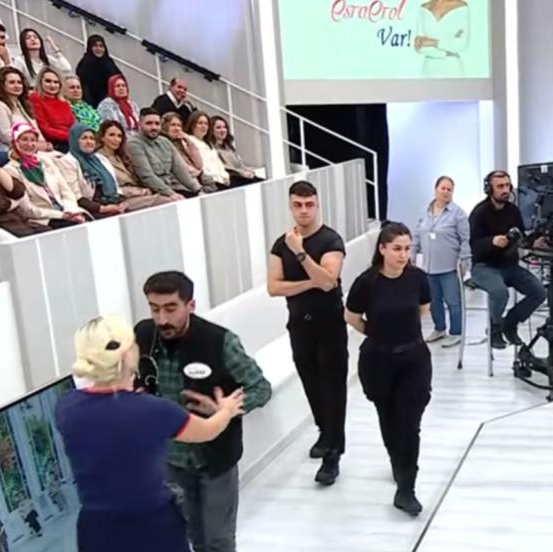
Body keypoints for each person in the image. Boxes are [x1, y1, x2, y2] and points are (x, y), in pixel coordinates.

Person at [55, 314, 246, 552]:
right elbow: (208, 431)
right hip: (153, 527)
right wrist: (226, 410)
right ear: (127, 355)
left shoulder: (66, 407)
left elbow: (107, 432)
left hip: (97, 530)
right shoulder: (154, 410)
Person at [134, 271, 273, 552]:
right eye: (154, 309)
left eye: (170, 308)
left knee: (219, 540)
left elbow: (261, 388)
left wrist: (226, 410)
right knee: (191, 535)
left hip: (215, 457)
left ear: (191, 305)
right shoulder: (143, 335)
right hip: (170, 458)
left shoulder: (220, 342)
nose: (162, 319)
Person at [344, 222, 432, 515]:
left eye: (407, 249)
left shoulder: (417, 278)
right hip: (378, 360)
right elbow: (352, 316)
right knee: (388, 417)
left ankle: (406, 488)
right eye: (396, 249)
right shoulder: (366, 282)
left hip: (413, 358)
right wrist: (377, 332)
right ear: (382, 249)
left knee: (409, 423)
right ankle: (397, 460)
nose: (403, 255)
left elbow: (423, 310)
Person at [267, 180, 348, 485]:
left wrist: (301, 254)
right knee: (312, 385)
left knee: (333, 389)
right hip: (299, 325)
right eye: (298, 205)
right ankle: (325, 433)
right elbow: (274, 287)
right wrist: (311, 281)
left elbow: (329, 281)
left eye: (309, 204)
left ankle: (333, 453)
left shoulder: (330, 240)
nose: (303, 211)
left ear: (317, 205)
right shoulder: (281, 244)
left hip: (330, 326)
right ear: (290, 206)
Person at [468, 170, 546, 349]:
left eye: (507, 186)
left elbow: (521, 238)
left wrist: (533, 243)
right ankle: (494, 329)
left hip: (510, 266)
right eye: (500, 186)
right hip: (484, 267)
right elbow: (473, 245)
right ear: (489, 189)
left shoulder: (513, 211)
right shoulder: (479, 213)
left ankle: (509, 323)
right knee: (499, 292)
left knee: (539, 292)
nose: (505, 190)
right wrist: (492, 242)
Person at [58, 123, 172, 215]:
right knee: (162, 201)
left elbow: (115, 188)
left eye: (91, 138)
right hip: (93, 207)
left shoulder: (100, 159)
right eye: (84, 138)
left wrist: (122, 203)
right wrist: (103, 208)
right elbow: (75, 197)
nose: (89, 142)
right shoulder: (68, 161)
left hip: (114, 201)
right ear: (74, 140)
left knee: (164, 201)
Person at [412, 175, 470, 347]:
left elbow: (465, 240)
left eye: (449, 189)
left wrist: (465, 262)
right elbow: (417, 235)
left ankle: (456, 331)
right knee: (433, 301)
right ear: (436, 189)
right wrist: (411, 256)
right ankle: (439, 328)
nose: (446, 192)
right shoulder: (425, 211)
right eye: (443, 188)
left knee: (453, 301)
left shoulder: (458, 214)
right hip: (429, 267)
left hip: (449, 267)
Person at [3, 122, 86, 228]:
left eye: (33, 140)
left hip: (66, 210)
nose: (29, 144)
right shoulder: (10, 170)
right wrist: (61, 215)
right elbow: (26, 209)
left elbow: (66, 191)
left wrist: (71, 210)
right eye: (24, 139)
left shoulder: (45, 161)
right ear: (15, 142)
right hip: (43, 218)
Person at [97, 120, 185, 202]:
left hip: (141, 193)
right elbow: (113, 188)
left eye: (119, 136)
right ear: (102, 137)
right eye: (111, 135)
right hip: (123, 198)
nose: (116, 139)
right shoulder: (99, 158)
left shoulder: (122, 156)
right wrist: (140, 192)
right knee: (166, 200)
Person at [127, 107, 203, 198]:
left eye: (157, 123)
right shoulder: (134, 144)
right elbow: (146, 176)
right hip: (153, 193)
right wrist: (171, 194)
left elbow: (180, 170)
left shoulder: (165, 142)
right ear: (140, 124)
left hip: (172, 189)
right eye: (149, 123)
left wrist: (198, 190)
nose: (154, 127)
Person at [0, 66, 50, 162]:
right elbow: (5, 135)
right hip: (12, 152)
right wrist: (33, 144)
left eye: (19, 82)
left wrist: (44, 144)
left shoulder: (23, 105)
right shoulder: (0, 106)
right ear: (2, 85)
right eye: (12, 82)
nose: (17, 85)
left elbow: (36, 129)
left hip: (34, 148)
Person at [414, 0, 469, 78]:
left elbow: (462, 44)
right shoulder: (424, 8)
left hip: (452, 68)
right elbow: (419, 46)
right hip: (428, 69)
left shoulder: (461, 6)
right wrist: (448, 46)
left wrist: (432, 42)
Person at [29, 68, 75, 152]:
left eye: (56, 82)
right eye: (48, 81)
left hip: (70, 140)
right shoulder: (35, 98)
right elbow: (44, 128)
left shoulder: (63, 101)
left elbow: (73, 125)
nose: (52, 85)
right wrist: (71, 136)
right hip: (53, 143)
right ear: (40, 82)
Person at [209, 115, 263, 186]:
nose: (223, 130)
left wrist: (247, 170)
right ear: (211, 130)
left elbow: (239, 163)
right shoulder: (211, 149)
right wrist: (241, 172)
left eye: (224, 127)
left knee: (264, 183)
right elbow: (224, 167)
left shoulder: (229, 147)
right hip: (230, 178)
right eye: (218, 128)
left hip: (241, 175)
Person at [0, 165, 51, 236]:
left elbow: (19, 192)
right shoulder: (9, 168)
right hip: (4, 226)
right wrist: (14, 203)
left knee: (48, 232)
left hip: (18, 220)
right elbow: (1, 205)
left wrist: (2, 175)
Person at [185, 111, 231, 189]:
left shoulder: (208, 144)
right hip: (207, 182)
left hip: (221, 181)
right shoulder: (189, 141)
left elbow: (218, 164)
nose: (203, 126)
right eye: (200, 123)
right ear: (192, 125)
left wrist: (225, 176)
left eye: (206, 124)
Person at [75, 35, 121, 108]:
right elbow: (84, 87)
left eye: (101, 46)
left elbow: (118, 79)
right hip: (93, 104)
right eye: (95, 46)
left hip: (112, 103)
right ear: (90, 47)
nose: (98, 49)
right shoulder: (85, 64)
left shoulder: (109, 62)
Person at [161, 111, 206, 182]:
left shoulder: (183, 142)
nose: (177, 128)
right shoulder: (162, 143)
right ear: (165, 126)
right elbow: (180, 167)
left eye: (179, 125)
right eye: (173, 125)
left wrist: (189, 141)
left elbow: (199, 164)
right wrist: (197, 173)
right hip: (177, 181)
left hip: (193, 178)